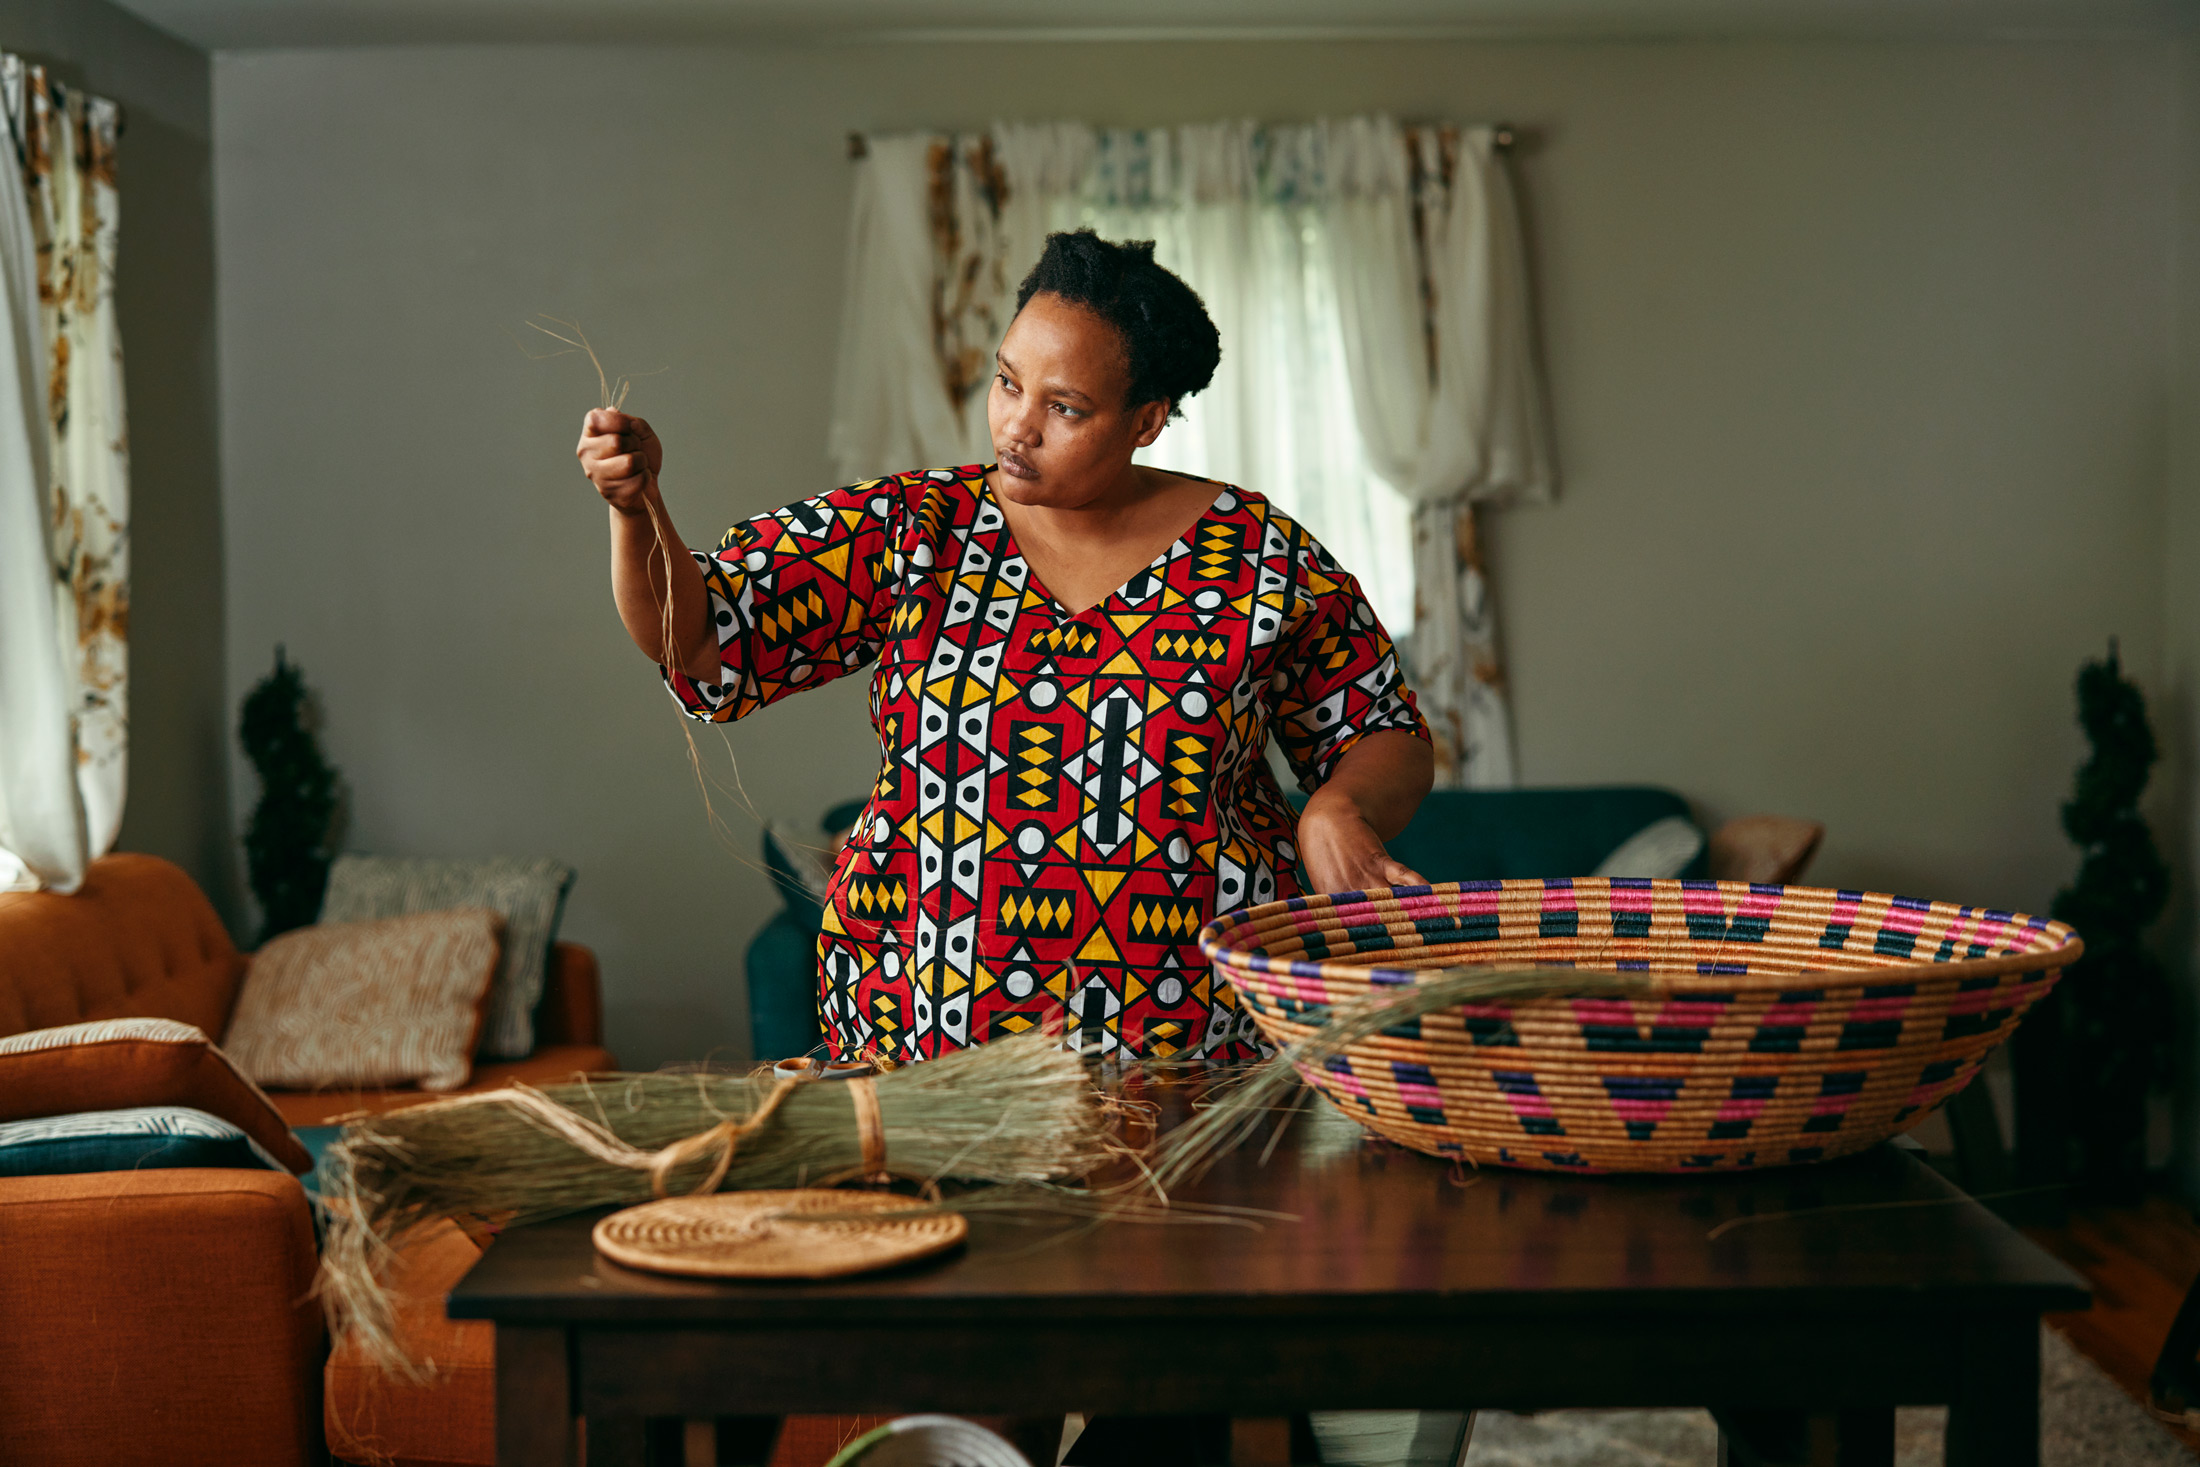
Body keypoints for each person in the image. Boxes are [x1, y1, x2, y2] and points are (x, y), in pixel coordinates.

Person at [578, 229, 1434, 1066]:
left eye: (1064, 408)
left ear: (1147, 420)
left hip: (1195, 1047)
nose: (1017, 426)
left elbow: (1382, 731)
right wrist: (637, 509)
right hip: (922, 1041)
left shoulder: (1258, 554)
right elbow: (695, 636)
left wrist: (1336, 807)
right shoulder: (914, 528)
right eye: (1007, 383)